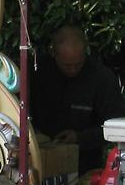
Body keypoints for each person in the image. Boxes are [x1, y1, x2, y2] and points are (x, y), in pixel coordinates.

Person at [30, 25, 125, 174]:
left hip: (86, 165)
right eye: (67, 65)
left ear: (85, 53)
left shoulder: (102, 78)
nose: (73, 70)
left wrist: (80, 137)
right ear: (54, 54)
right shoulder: (38, 73)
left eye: (78, 64)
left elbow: (116, 125)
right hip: (41, 159)